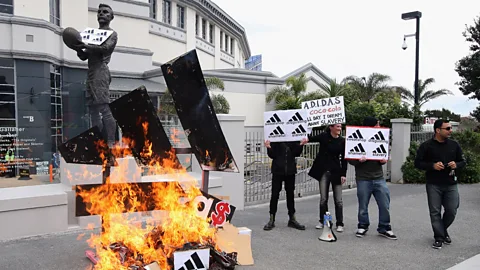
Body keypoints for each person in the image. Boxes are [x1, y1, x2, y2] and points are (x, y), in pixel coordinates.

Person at [414, 119, 466, 249]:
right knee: (435, 212)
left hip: (451, 183)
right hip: (433, 184)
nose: (450, 131)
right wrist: (432, 166)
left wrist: (456, 165)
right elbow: (417, 163)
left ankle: (442, 230)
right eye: (447, 128)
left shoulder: (454, 145)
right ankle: (439, 237)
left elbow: (462, 161)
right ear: (438, 130)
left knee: (452, 210)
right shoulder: (426, 146)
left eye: (450, 128)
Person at [75, 4, 118, 148]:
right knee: (93, 109)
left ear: (111, 17)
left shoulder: (112, 34)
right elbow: (85, 56)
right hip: (91, 71)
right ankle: (98, 141)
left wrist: (86, 46)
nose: (101, 14)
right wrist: (79, 49)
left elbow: (105, 49)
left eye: (105, 12)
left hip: (101, 71)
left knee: (104, 108)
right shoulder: (92, 34)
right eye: (99, 12)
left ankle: (111, 141)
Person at [348, 116, 397, 240]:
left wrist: (383, 161)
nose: (379, 127)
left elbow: (384, 156)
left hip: (379, 177)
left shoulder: (381, 138)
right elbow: (350, 159)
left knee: (384, 203)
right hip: (363, 178)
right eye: (377, 125)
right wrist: (359, 160)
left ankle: (385, 227)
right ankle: (363, 225)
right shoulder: (357, 138)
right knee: (363, 205)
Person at [304, 124, 347, 232]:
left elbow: (344, 159)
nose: (339, 128)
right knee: (323, 199)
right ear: (331, 127)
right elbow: (310, 138)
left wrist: (343, 174)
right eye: (337, 126)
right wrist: (308, 129)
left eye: (340, 127)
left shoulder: (342, 141)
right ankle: (324, 221)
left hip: (336, 171)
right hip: (323, 171)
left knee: (338, 200)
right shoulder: (324, 136)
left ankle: (339, 223)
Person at [263, 139, 307, 231]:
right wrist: (268, 147)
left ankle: (292, 219)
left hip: (290, 171)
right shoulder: (276, 139)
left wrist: (301, 145)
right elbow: (272, 155)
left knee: (290, 195)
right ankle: (271, 219)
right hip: (277, 171)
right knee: (275, 195)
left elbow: (296, 153)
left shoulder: (292, 139)